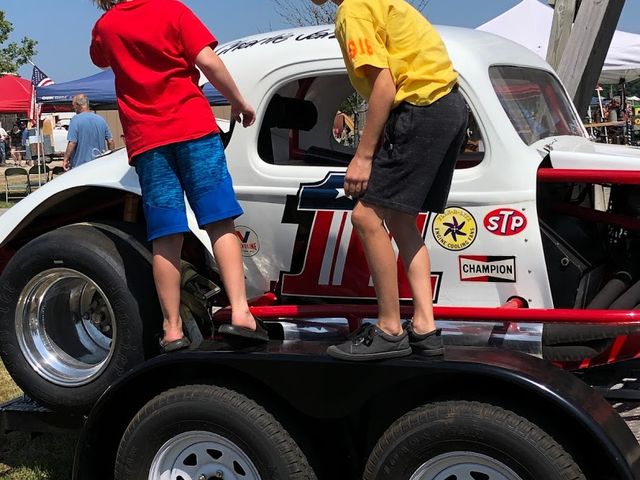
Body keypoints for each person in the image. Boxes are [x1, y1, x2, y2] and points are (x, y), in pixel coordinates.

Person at [90, 0, 267, 352]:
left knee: (166, 235)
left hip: (148, 141)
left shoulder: (106, 27)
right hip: (193, 130)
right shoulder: (172, 10)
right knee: (220, 223)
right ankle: (240, 313)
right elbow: (208, 61)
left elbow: (99, 59)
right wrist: (237, 101)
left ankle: (171, 329)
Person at [312, 0, 468, 360]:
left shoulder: (352, 10)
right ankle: (425, 326)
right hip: (448, 105)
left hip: (419, 108)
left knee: (365, 216)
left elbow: (384, 85)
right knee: (400, 220)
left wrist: (363, 156)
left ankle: (389, 328)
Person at [63, 94, 115, 170]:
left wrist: (65, 159)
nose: (74, 108)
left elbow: (72, 143)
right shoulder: (101, 119)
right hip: (99, 165)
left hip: (81, 167)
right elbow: (110, 141)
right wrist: (111, 158)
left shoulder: (75, 120)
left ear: (78, 105)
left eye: (73, 105)